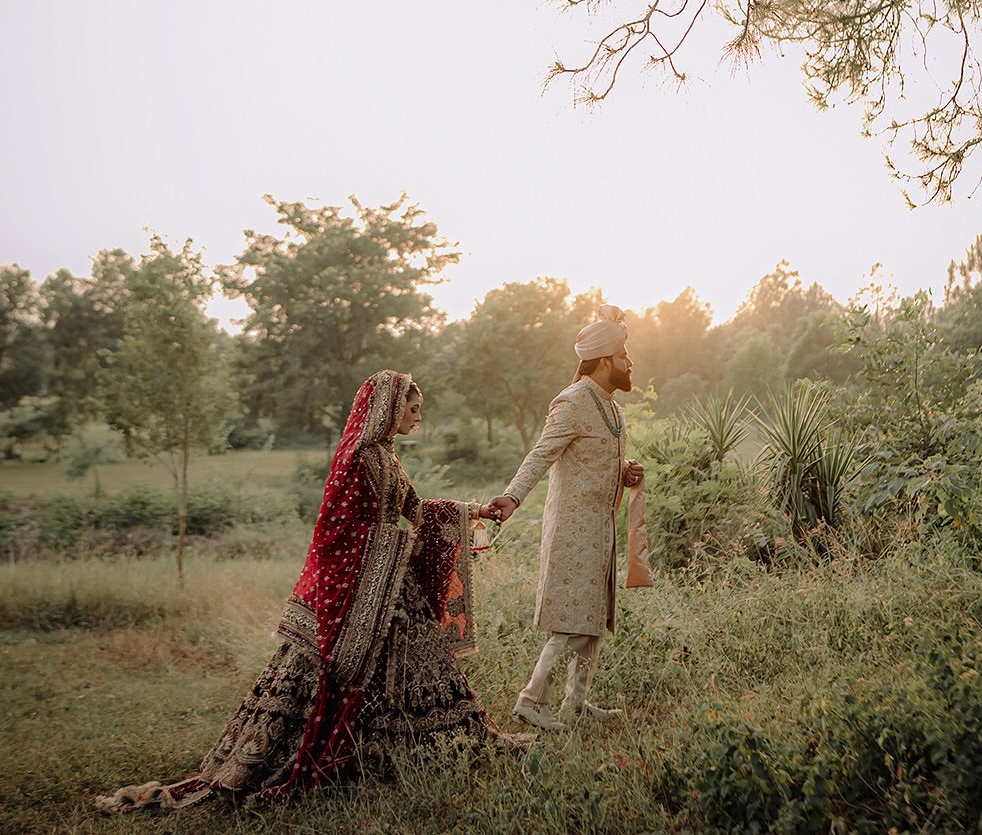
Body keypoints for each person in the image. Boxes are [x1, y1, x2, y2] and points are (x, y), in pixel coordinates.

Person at [97, 370, 524, 813]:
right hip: (361, 583)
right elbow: (334, 529)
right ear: (389, 411)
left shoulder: (387, 457)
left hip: (390, 582)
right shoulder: (358, 457)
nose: (419, 418)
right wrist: (387, 545)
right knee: (332, 673)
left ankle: (415, 749)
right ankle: (350, 756)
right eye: (413, 410)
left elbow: (415, 509)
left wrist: (475, 511)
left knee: (424, 664)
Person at [485, 305, 645, 732]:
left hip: (601, 529)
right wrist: (512, 497)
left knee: (594, 618)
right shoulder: (572, 401)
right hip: (573, 531)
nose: (630, 362)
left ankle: (576, 702)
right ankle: (532, 700)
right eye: (624, 355)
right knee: (573, 621)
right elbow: (542, 454)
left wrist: (623, 471)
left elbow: (592, 459)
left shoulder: (611, 407)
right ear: (605, 361)